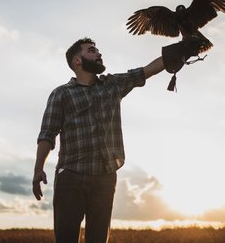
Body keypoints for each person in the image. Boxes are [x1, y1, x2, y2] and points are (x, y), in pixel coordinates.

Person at [32, 36, 202, 243]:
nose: (99, 53)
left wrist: (181, 49)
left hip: (104, 178)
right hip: (71, 177)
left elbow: (147, 70)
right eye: (92, 50)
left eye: (97, 50)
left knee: (98, 239)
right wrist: (38, 168)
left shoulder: (112, 84)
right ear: (77, 61)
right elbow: (47, 133)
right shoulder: (61, 94)